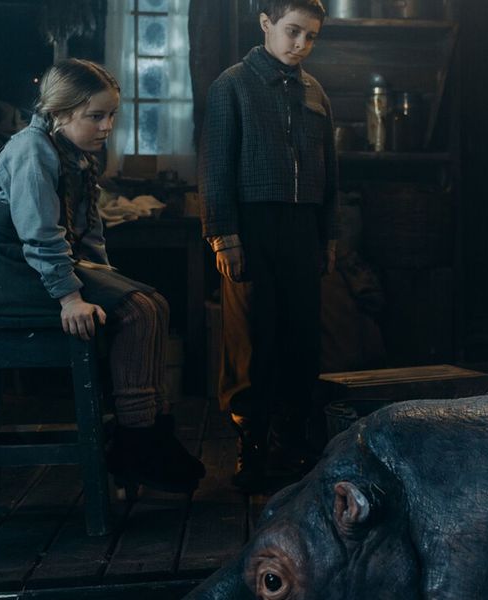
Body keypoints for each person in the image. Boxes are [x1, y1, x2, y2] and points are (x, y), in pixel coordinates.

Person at [0, 58, 204, 492]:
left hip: (26, 263)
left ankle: (149, 431)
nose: (107, 127)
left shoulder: (75, 154)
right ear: (60, 113)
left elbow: (88, 232)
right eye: (95, 116)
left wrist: (108, 281)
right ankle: (137, 441)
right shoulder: (32, 150)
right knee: (137, 312)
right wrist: (70, 297)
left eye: (111, 115)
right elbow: (40, 234)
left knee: (152, 302)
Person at [200, 0, 338, 490]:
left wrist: (328, 234)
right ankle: (251, 448)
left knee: (301, 336)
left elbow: (329, 170)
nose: (301, 44)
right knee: (251, 338)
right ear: (266, 24)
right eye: (293, 31)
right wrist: (224, 236)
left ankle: (292, 443)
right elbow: (215, 166)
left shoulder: (315, 91)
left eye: (311, 36)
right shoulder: (232, 85)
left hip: (303, 227)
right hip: (251, 227)